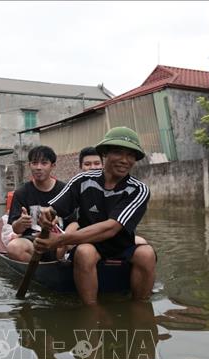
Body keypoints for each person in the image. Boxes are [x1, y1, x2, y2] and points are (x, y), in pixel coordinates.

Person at [35, 127, 157, 305]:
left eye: (130, 155)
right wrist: (47, 214)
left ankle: (140, 306)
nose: (125, 160)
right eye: (118, 152)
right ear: (105, 153)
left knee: (147, 254)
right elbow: (53, 208)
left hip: (120, 246)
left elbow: (111, 228)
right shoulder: (82, 181)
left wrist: (59, 240)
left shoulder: (138, 189)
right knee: (85, 252)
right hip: (89, 244)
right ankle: (91, 309)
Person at [7, 145, 65, 262]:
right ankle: (41, 271)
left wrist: (64, 240)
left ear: (52, 166)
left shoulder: (65, 190)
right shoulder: (21, 193)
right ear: (29, 166)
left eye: (44, 163)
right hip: (32, 241)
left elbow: (74, 222)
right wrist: (21, 222)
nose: (38, 168)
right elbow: (16, 229)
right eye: (34, 163)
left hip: (60, 240)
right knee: (13, 247)